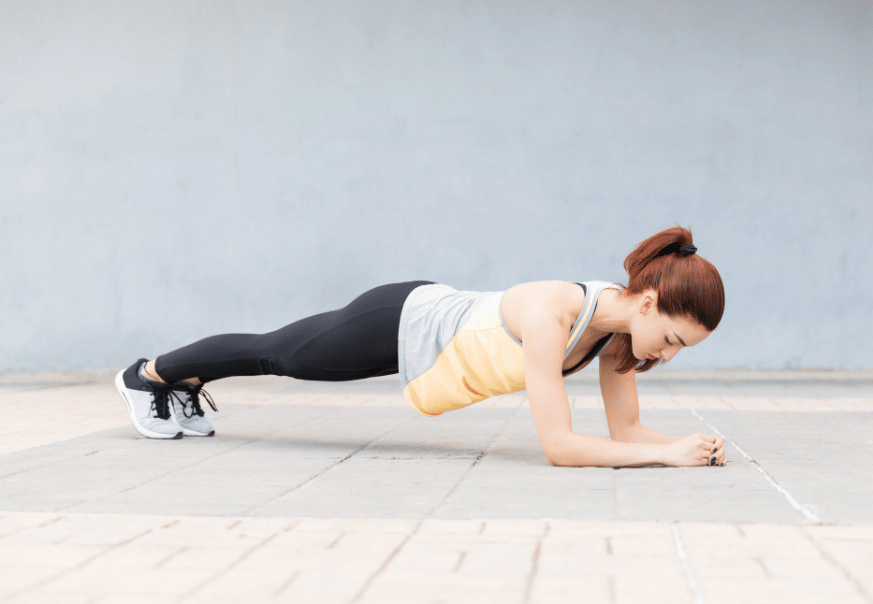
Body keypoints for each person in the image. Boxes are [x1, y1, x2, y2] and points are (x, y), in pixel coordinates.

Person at [115, 226, 726, 468]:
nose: (666, 354)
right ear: (648, 302)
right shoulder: (554, 313)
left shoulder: (621, 339)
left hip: (429, 347)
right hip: (402, 319)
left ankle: (186, 385)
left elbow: (627, 434)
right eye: (671, 338)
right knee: (280, 354)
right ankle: (151, 375)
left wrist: (682, 446)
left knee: (280, 354)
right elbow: (561, 448)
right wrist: (666, 460)